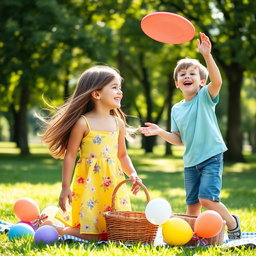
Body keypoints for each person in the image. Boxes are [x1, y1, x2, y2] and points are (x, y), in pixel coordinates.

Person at [139, 32, 241, 239]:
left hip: (211, 156)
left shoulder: (204, 97)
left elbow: (218, 81)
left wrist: (207, 55)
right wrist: (160, 132)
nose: (187, 76)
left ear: (202, 82)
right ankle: (195, 235)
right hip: (190, 162)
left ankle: (232, 223)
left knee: (207, 199)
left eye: (192, 74)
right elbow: (179, 139)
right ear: (177, 83)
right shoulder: (176, 109)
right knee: (192, 205)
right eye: (182, 74)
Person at [39, 65, 142, 241]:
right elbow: (70, 155)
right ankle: (57, 229)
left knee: (115, 231)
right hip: (90, 184)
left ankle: (64, 228)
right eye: (114, 87)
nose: (120, 92)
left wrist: (132, 173)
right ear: (96, 94)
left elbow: (122, 155)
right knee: (91, 234)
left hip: (113, 183)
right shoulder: (83, 123)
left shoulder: (118, 124)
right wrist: (65, 187)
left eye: (120, 87)